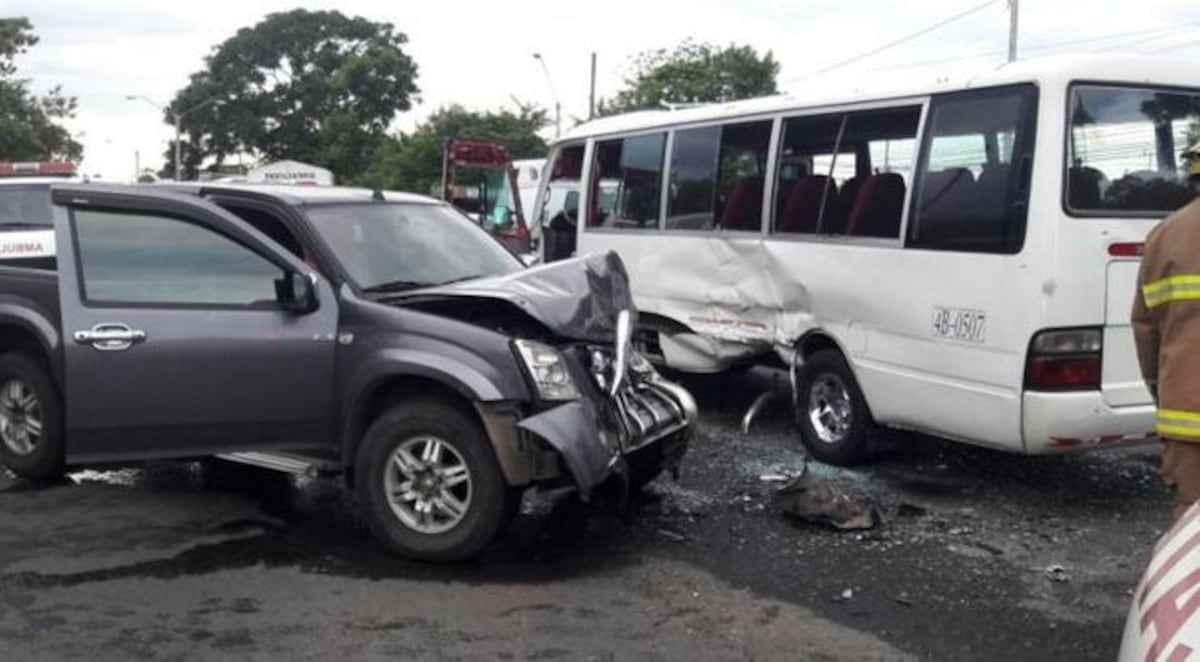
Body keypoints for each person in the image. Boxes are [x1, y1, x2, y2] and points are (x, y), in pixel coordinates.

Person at [1133, 141, 1200, 520]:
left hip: (1186, 421)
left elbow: (1145, 331)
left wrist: (1165, 390)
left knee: (1192, 537)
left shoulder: (1164, 235)